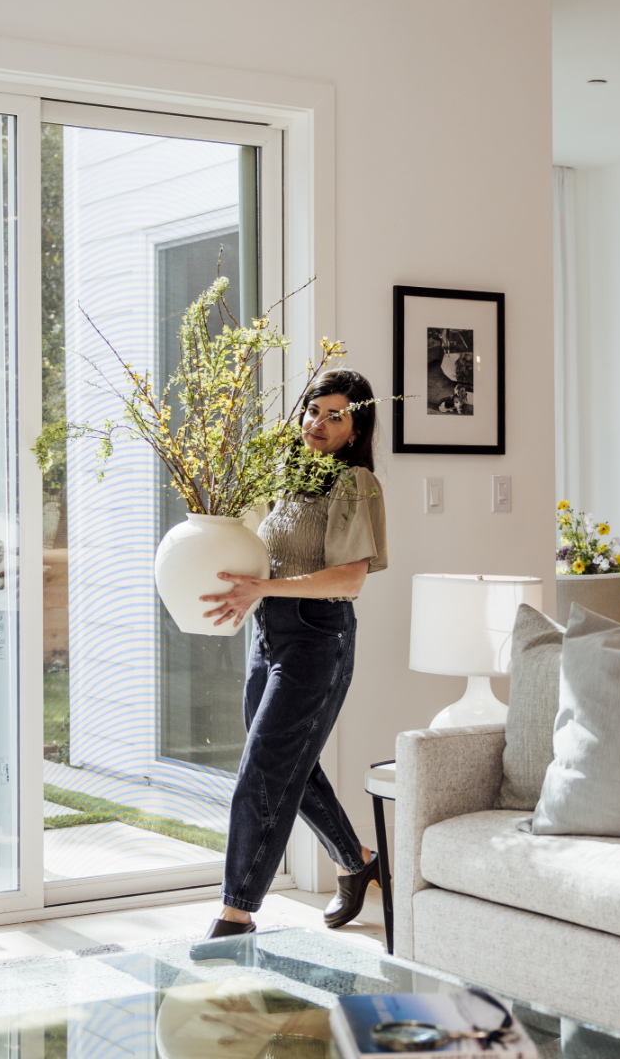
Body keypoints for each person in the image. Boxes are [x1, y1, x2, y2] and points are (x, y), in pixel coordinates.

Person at [195, 368, 388, 949]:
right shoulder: (284, 477)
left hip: (318, 638)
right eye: (312, 410)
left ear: (356, 429)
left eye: (335, 415)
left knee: (262, 770)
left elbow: (351, 580)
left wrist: (265, 592)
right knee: (288, 767)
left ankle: (237, 914)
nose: (318, 423)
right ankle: (355, 860)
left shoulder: (356, 483)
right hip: (269, 634)